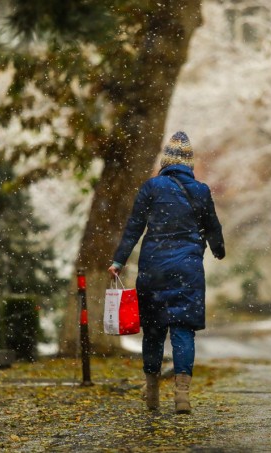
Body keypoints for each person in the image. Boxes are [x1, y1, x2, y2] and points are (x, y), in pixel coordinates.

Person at [108, 131, 225, 414]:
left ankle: (151, 392)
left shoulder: (151, 188)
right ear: (189, 163)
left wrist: (118, 261)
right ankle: (182, 396)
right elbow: (213, 228)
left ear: (166, 161)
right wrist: (218, 250)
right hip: (188, 271)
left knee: (154, 331)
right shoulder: (200, 190)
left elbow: (134, 227)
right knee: (183, 331)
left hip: (154, 269)